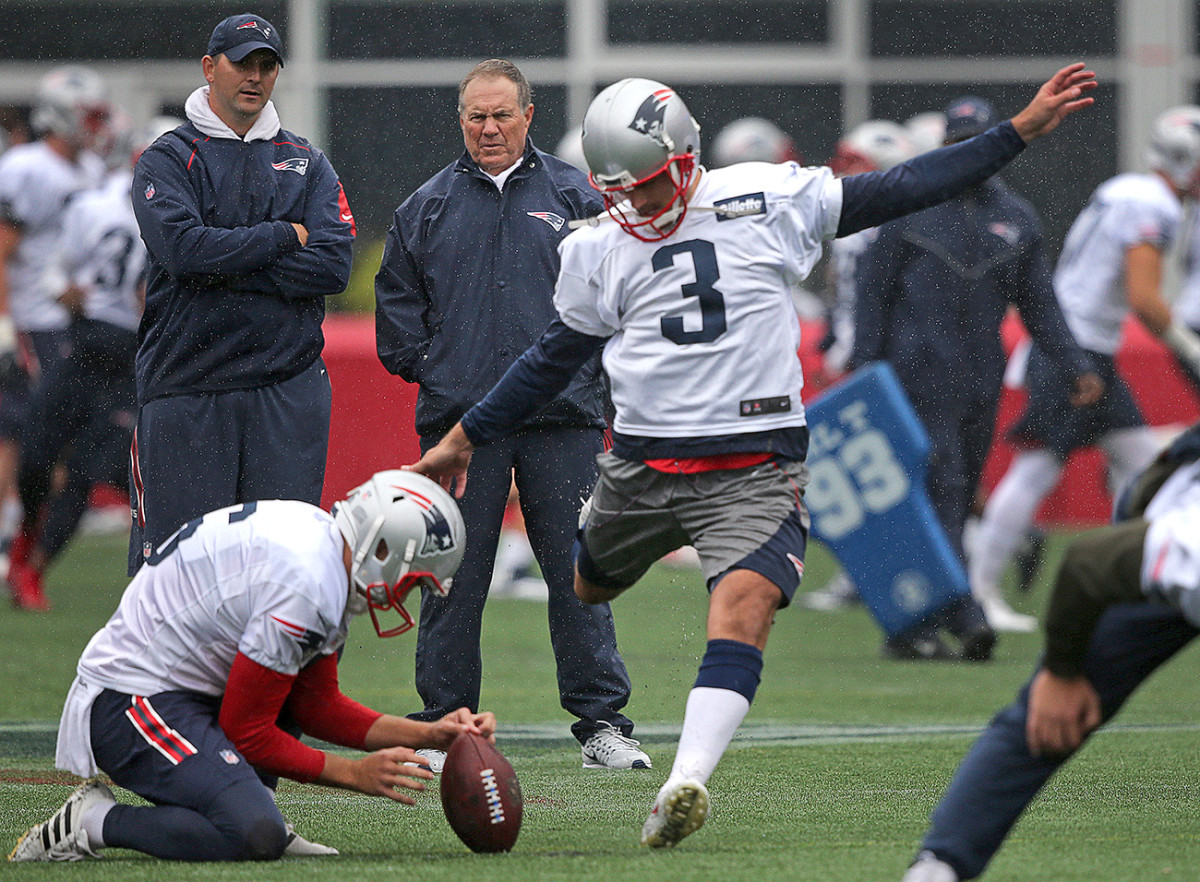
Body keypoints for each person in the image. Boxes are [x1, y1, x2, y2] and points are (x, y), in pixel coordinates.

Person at [408, 64, 1099, 848]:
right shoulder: (598, 245)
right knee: (588, 583)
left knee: (744, 607)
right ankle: (613, 554)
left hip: (753, 460)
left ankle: (686, 779)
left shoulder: (767, 199)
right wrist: (465, 435)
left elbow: (903, 186)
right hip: (643, 464)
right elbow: (549, 359)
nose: (638, 202)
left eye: (648, 183)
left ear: (685, 156)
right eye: (622, 189)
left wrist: (1016, 133)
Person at [375, 59, 646, 773]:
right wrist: (447, 374)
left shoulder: (579, 197)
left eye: (501, 115)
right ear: (460, 120)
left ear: (529, 115)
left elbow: (623, 298)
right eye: (476, 116)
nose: (489, 128)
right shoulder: (424, 207)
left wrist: (592, 381)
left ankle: (602, 726)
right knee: (452, 581)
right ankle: (444, 727)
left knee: (580, 573)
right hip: (459, 429)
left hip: (565, 420)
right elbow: (396, 320)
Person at [9, 469, 492, 863]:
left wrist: (429, 734)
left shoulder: (326, 551)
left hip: (184, 691)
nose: (403, 595)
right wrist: (353, 774)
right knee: (250, 833)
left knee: (258, 807)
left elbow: (313, 704)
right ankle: (93, 821)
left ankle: (248, 801)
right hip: (129, 701)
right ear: (382, 549)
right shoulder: (307, 581)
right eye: (412, 580)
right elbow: (248, 731)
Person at [900, 421, 1200, 881]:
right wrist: (1063, 671)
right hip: (1155, 535)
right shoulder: (1185, 551)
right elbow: (1088, 564)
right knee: (1050, 716)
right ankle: (940, 867)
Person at [852, 96, 1103, 643]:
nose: (967, 153)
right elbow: (873, 297)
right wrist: (863, 372)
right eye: (957, 143)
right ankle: (963, 610)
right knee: (941, 487)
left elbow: (1039, 303)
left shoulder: (1015, 218)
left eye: (977, 143)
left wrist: (1075, 364)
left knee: (961, 492)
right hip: (913, 375)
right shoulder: (907, 206)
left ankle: (917, 621)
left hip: (978, 377)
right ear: (943, 145)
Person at [127, 13, 355, 575]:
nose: (254, 76)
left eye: (266, 65)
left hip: (287, 387)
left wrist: (223, 259)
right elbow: (184, 253)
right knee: (179, 577)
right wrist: (282, 236)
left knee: (281, 574)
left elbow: (333, 266)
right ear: (210, 67)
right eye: (242, 63)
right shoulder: (167, 157)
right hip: (188, 383)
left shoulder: (308, 161)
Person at [968, 105, 1200, 624]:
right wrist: (1191, 348)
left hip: (1081, 343)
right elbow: (1144, 299)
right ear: (1185, 160)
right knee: (1036, 471)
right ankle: (978, 595)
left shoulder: (1126, 189)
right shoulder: (1154, 204)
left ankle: (1142, 580)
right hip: (1077, 349)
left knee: (1145, 468)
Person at [5, 116, 175, 609]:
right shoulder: (95, 207)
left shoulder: (183, 224)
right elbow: (53, 269)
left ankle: (33, 571)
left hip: (136, 359)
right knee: (36, 454)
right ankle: (24, 540)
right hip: (83, 347)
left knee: (86, 470)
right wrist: (63, 291)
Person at [0, 66, 109, 608]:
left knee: (70, 448)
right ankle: (13, 543)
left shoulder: (91, 169)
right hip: (34, 321)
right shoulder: (26, 167)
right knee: (29, 442)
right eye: (89, 115)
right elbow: (2, 248)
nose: (97, 126)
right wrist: (4, 321)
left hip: (79, 327)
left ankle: (23, 551)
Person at [802, 119, 916, 615]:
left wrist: (847, 349)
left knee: (872, 471)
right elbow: (846, 295)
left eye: (857, 164)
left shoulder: (888, 225)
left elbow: (876, 300)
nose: (845, 174)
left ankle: (867, 573)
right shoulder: (869, 222)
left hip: (882, 360)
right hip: (867, 355)